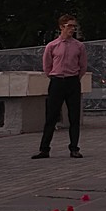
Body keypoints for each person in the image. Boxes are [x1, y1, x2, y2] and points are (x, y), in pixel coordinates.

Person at [33, 14, 88, 159]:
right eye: (70, 25)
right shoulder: (52, 46)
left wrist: (75, 78)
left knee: (74, 116)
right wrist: (54, 76)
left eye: (74, 26)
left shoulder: (79, 46)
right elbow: (47, 66)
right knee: (51, 116)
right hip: (57, 81)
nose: (72, 29)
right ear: (61, 26)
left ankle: (74, 148)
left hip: (72, 82)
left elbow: (83, 66)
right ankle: (44, 149)